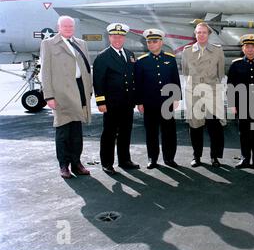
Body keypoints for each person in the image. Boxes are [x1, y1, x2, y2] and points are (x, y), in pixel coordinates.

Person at [41, 15, 92, 179]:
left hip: (79, 89)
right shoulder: (48, 44)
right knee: (63, 130)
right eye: (65, 26)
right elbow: (45, 72)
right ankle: (64, 166)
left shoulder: (81, 43)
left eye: (71, 26)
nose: (69, 29)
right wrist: (48, 96)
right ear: (58, 27)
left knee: (77, 130)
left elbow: (87, 68)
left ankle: (77, 163)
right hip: (61, 92)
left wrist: (88, 90)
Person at [93, 23, 140, 175]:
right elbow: (98, 81)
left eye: (120, 36)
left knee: (126, 132)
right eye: (114, 36)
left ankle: (125, 160)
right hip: (112, 103)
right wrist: (101, 102)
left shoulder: (130, 54)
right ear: (109, 38)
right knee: (109, 133)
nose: (117, 39)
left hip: (128, 102)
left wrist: (137, 99)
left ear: (124, 38)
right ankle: (107, 163)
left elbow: (134, 79)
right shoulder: (103, 57)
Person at [134, 29, 181, 169]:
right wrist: (139, 102)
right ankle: (152, 159)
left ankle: (169, 158)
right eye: (149, 42)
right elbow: (138, 83)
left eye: (155, 41)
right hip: (150, 102)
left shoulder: (170, 59)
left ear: (161, 42)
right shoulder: (141, 61)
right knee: (151, 132)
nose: (152, 44)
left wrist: (176, 98)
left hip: (167, 101)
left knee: (169, 131)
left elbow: (175, 79)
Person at [181, 22, 226, 167]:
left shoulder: (218, 51)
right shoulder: (187, 51)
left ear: (209, 34)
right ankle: (197, 157)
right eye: (198, 32)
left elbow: (220, 73)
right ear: (195, 34)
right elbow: (186, 71)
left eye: (204, 32)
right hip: (194, 92)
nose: (201, 35)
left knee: (215, 126)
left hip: (212, 91)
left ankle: (215, 157)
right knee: (195, 126)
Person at [227, 34, 254, 170]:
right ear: (243, 48)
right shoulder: (236, 64)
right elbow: (231, 86)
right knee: (244, 133)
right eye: (247, 47)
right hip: (242, 104)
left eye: (253, 47)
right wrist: (232, 104)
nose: (250, 50)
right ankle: (245, 159)